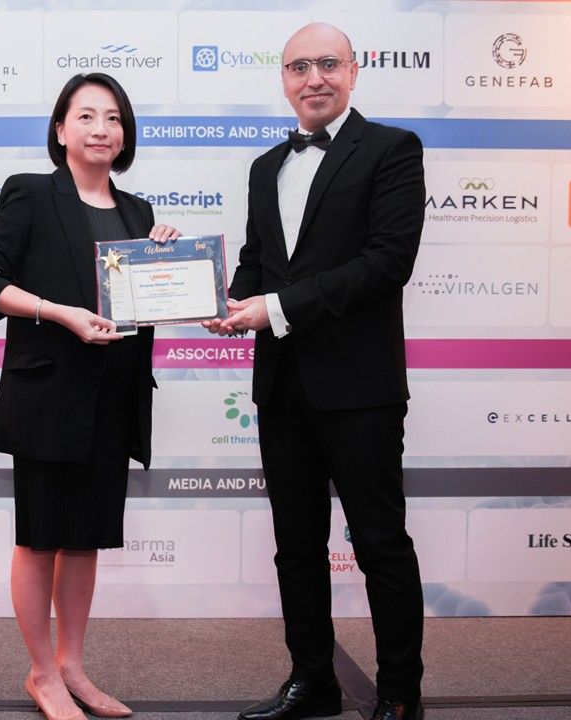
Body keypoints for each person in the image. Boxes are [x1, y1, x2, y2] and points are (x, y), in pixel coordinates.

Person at [203, 22, 426, 720]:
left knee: (380, 544)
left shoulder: (392, 149)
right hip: (282, 386)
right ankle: (312, 682)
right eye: (299, 67)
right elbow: (258, 260)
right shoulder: (265, 166)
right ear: (284, 79)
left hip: (360, 388)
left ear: (354, 72)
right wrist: (226, 304)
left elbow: (387, 264)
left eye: (328, 63)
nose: (314, 78)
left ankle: (400, 694)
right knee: (296, 548)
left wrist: (274, 308)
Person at [0, 72, 180, 720]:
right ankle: (40, 673)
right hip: (48, 394)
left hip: (113, 397)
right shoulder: (31, 194)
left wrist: (169, 266)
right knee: (40, 539)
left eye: (113, 118)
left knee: (84, 541)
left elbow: (142, 303)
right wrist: (58, 312)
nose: (100, 129)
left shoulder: (139, 213)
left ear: (125, 134)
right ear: (60, 130)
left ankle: (71, 667)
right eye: (86, 116)